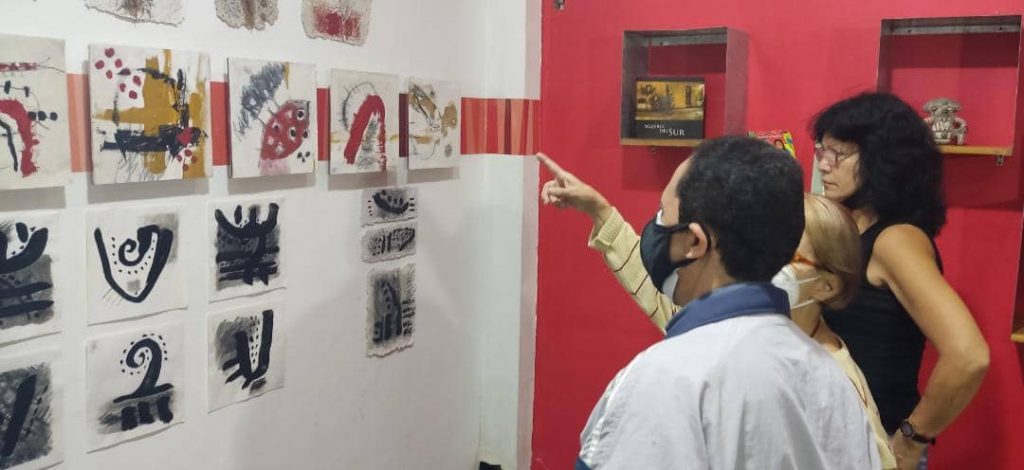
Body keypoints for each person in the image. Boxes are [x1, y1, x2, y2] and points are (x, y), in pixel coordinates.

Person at [543, 136, 880, 469]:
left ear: (694, 241)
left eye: (663, 214)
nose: (657, 227)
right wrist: (600, 212)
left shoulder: (665, 378)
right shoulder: (832, 382)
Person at [813, 93, 989, 469]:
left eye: (838, 153)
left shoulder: (895, 240)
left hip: (872, 445)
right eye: (822, 151)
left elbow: (969, 355)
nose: (824, 165)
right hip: (835, 437)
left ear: (881, 160)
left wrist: (911, 440)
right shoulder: (854, 226)